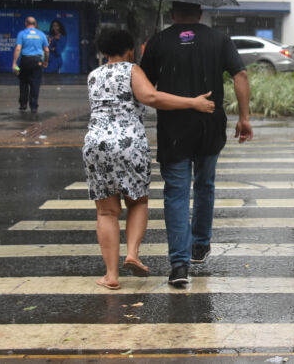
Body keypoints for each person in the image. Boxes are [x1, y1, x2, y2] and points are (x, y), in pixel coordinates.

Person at [84, 29, 215, 290]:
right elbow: (151, 97)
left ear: (104, 51)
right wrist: (193, 103)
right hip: (129, 144)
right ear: (130, 50)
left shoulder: (93, 75)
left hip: (96, 144)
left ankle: (111, 275)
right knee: (137, 202)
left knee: (106, 211)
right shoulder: (132, 70)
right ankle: (132, 253)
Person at [141, 1, 253, 287]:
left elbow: (145, 88)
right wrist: (244, 118)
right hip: (210, 124)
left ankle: (179, 265)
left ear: (172, 13)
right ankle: (200, 244)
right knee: (205, 184)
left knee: (176, 193)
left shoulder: (159, 41)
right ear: (200, 13)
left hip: (174, 128)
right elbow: (240, 75)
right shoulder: (219, 39)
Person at [11, 17, 49, 113]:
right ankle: (34, 106)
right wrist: (46, 61)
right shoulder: (41, 34)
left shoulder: (22, 33)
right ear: (35, 24)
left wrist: (14, 63)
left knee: (23, 82)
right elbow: (47, 50)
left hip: (25, 60)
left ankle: (23, 104)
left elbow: (18, 49)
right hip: (38, 60)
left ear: (26, 23)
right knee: (35, 83)